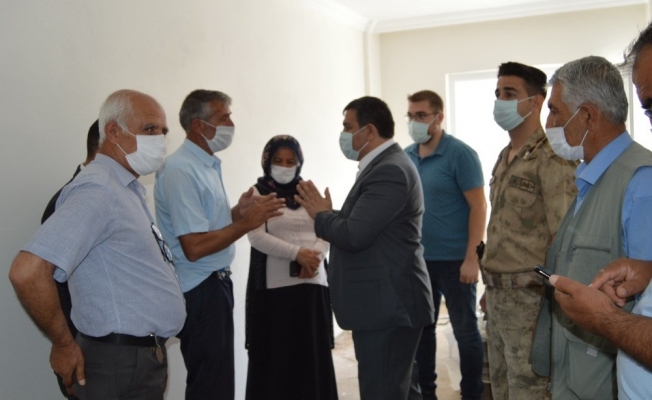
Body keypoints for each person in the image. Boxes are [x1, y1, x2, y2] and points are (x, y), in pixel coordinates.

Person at [8, 89, 187, 400]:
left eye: (163, 131)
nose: (159, 139)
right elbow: (27, 271)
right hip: (117, 362)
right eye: (149, 129)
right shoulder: (99, 189)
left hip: (137, 359)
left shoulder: (124, 188)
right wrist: (63, 344)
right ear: (113, 132)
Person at [532, 35, 652, 399]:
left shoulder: (640, 181)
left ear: (587, 116)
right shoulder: (591, 177)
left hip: (607, 381)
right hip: (575, 375)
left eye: (555, 110)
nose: (548, 122)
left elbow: (643, 305)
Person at [296, 96, 434, 400]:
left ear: (369, 131)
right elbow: (363, 225)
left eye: (348, 127)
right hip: (386, 305)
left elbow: (354, 235)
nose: (344, 134)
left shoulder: (390, 170)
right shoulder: (384, 165)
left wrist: (322, 215)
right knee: (397, 389)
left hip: (387, 307)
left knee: (382, 391)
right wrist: (329, 216)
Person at [154, 89, 285, 400]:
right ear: (199, 126)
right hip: (200, 290)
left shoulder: (205, 165)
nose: (231, 124)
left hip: (214, 284)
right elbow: (194, 247)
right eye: (223, 117)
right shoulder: (181, 170)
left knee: (219, 382)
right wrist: (246, 224)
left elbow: (207, 227)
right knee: (210, 386)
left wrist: (238, 212)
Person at [481, 62, 578, 399]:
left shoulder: (552, 156)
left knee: (530, 391)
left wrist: (552, 308)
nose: (501, 101)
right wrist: (490, 288)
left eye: (510, 94)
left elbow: (563, 236)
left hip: (531, 300)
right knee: (501, 389)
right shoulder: (505, 156)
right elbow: (501, 229)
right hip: (497, 295)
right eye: (498, 94)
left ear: (536, 102)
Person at [404, 90, 485, 400]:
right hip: (419, 262)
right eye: (411, 116)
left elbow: (478, 206)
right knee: (422, 332)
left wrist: (472, 258)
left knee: (465, 331)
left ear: (439, 117)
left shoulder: (460, 154)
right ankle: (427, 393)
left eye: (421, 115)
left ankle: (472, 394)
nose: (414, 121)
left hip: (455, 261)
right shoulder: (407, 156)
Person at [244, 135, 337, 400]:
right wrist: (298, 254)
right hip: (275, 293)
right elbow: (256, 236)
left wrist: (313, 258)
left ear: (299, 162)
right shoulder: (258, 194)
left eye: (290, 161)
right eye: (278, 160)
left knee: (313, 359)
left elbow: (326, 226)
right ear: (266, 161)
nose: (284, 166)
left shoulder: (308, 192)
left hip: (313, 286)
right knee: (279, 362)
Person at [41, 120, 100, 400]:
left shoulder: (117, 196)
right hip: (89, 352)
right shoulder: (71, 200)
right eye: (147, 132)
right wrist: (67, 345)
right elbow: (45, 281)